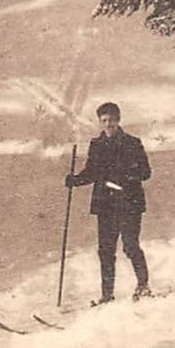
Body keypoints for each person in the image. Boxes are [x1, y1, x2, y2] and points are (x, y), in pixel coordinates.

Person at [66, 102, 153, 303]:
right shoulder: (96, 145)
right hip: (106, 205)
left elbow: (146, 172)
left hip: (129, 203)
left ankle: (143, 286)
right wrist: (75, 180)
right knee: (105, 250)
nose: (108, 124)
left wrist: (126, 176)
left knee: (130, 246)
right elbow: (92, 172)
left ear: (118, 120)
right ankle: (107, 295)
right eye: (104, 120)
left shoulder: (133, 143)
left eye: (111, 120)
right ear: (100, 122)